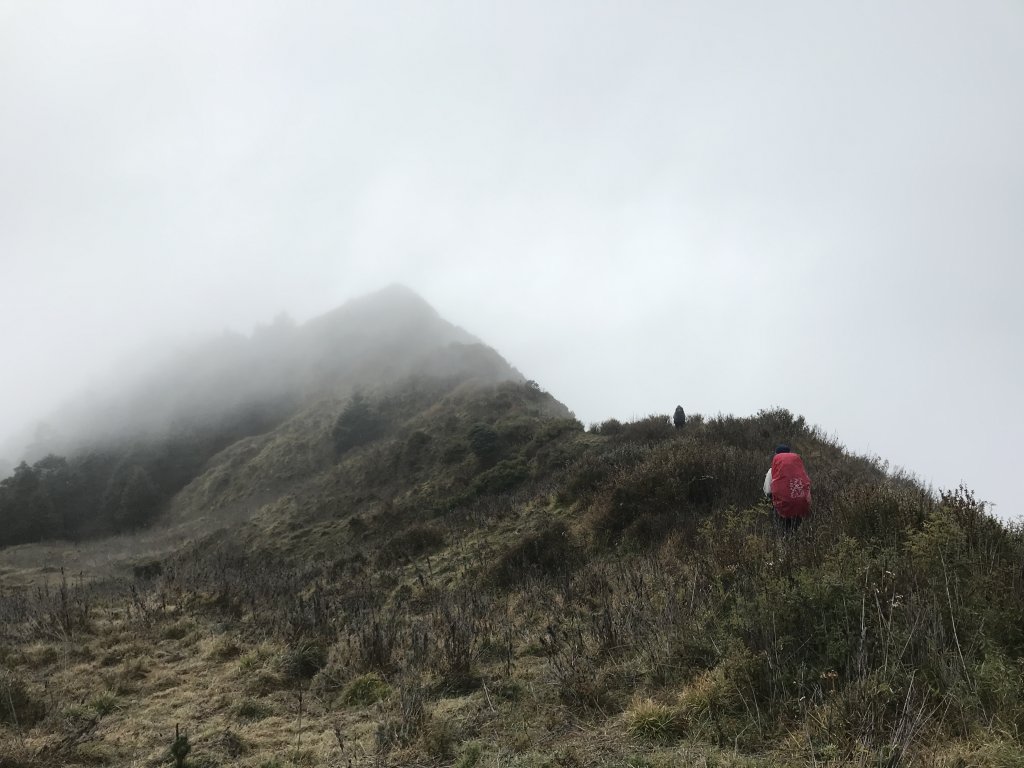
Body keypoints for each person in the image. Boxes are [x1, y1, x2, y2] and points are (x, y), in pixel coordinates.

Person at [763, 444, 811, 533]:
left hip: (781, 507)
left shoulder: (772, 471)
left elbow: (768, 491)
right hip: (799, 506)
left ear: (776, 455)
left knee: (782, 532)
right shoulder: (799, 470)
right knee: (796, 532)